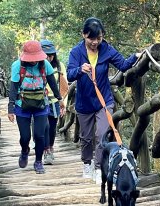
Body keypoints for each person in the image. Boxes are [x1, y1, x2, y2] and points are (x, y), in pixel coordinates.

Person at [67, 17, 141, 184]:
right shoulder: (76, 52)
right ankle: (87, 163)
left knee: (102, 135)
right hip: (84, 102)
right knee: (86, 138)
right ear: (84, 35)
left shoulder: (107, 49)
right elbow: (70, 74)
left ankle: (100, 168)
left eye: (98, 38)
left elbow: (123, 65)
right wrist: (80, 69)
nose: (95, 42)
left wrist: (136, 56)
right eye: (91, 38)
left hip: (104, 101)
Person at [8, 40, 65, 174]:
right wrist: (10, 109)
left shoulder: (45, 65)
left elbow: (52, 83)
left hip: (41, 104)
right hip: (22, 105)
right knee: (25, 136)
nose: (34, 61)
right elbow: (13, 88)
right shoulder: (17, 66)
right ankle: (24, 150)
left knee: (39, 135)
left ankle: (38, 161)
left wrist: (60, 99)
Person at [41, 39, 67, 164]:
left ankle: (50, 147)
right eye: (46, 54)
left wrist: (64, 104)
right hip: (40, 101)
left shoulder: (60, 66)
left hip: (55, 101)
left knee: (51, 127)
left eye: (51, 54)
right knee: (43, 126)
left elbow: (64, 87)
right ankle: (46, 151)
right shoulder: (36, 66)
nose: (49, 57)